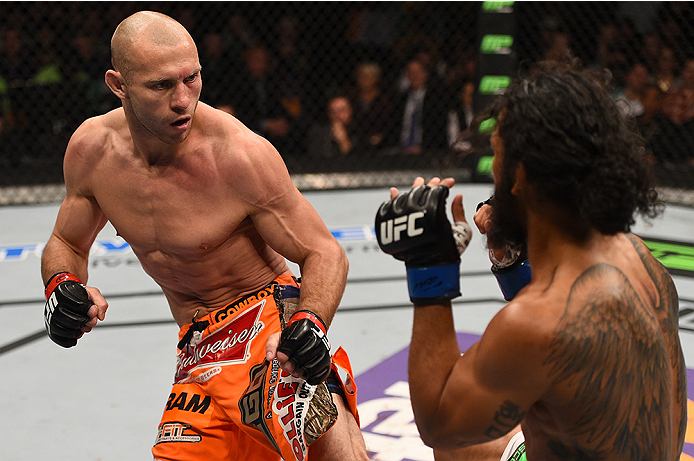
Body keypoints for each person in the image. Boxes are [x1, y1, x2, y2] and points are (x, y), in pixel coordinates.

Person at [40, 11, 368, 461]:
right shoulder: (92, 151)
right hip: (197, 347)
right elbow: (67, 243)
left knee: (322, 445)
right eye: (161, 85)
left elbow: (324, 252)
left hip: (267, 323)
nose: (183, 100)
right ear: (118, 85)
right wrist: (63, 286)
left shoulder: (238, 155)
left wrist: (310, 324)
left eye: (191, 78)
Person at [376, 60, 686, 460]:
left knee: (454, 446)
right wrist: (513, 264)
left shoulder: (533, 325)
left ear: (519, 176)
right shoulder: (643, 262)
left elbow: (438, 424)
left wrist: (429, 266)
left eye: (497, 155)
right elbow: (569, 347)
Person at [306, 95, 358, 163]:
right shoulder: (319, 132)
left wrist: (343, 141)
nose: (338, 116)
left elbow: (356, 160)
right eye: (333, 112)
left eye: (341, 111)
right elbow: (316, 158)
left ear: (350, 111)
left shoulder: (359, 131)